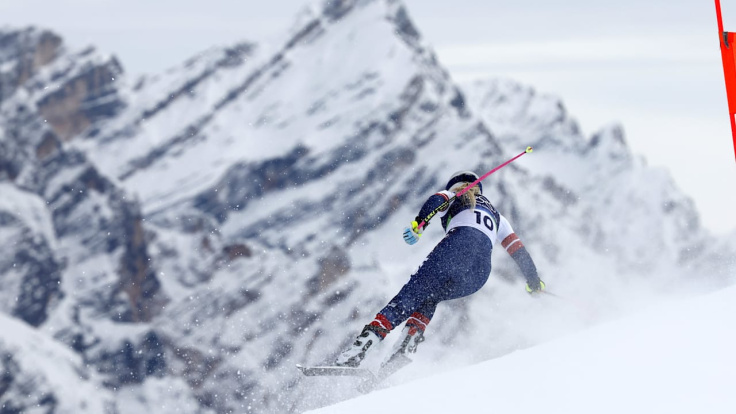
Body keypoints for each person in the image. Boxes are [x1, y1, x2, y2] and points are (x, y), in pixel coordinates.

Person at [335, 170, 545, 367]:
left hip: (455, 250)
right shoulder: (499, 217)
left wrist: (419, 224)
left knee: (412, 293)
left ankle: (361, 347)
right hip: (479, 274)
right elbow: (519, 251)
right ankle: (407, 344)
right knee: (430, 296)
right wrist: (534, 282)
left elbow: (435, 201)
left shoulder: (455, 195)